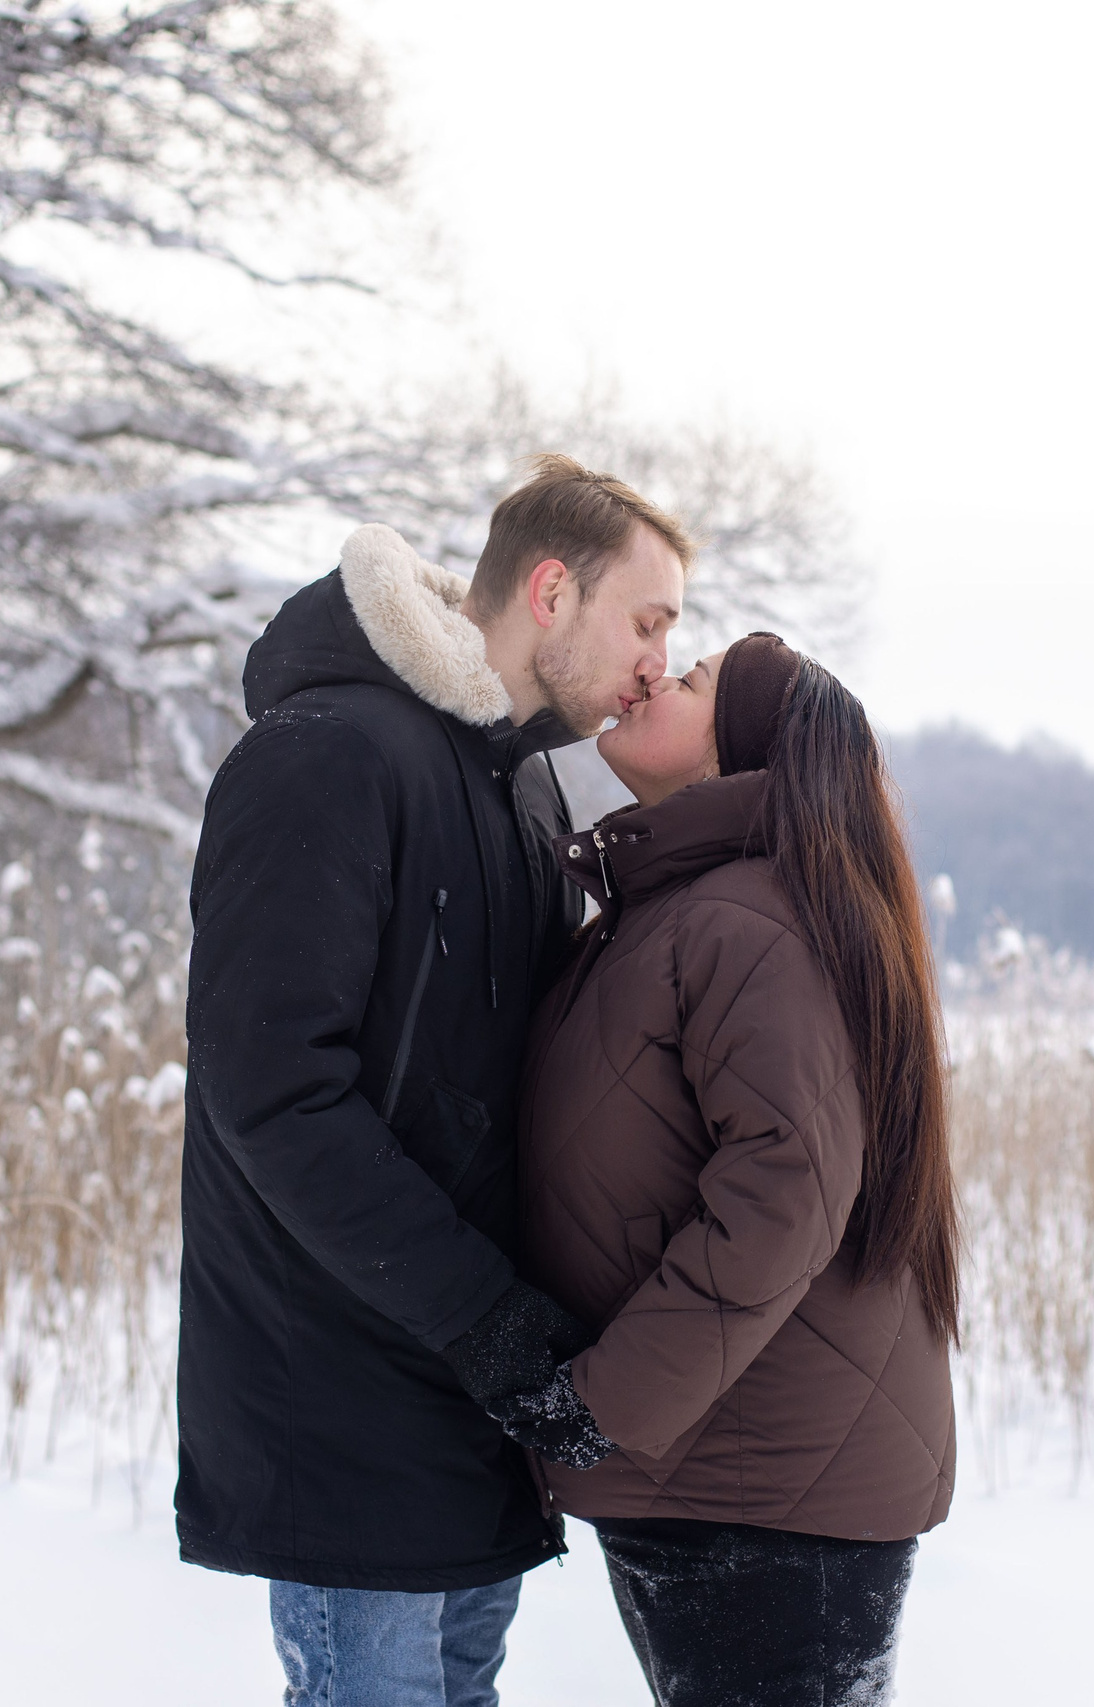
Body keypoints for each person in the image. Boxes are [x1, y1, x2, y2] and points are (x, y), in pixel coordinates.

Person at [178, 454, 693, 1706]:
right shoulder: (326, 755)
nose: (658, 662)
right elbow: (272, 1092)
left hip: (473, 1401)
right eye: (648, 621)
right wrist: (485, 1319)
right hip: (345, 1398)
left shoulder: (519, 790)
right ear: (552, 591)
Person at [498, 632, 963, 1707]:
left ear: (741, 753)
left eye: (694, 679)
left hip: (764, 1489)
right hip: (726, 1475)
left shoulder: (743, 921)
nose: (656, 675)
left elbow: (782, 1197)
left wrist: (603, 1404)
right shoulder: (679, 911)